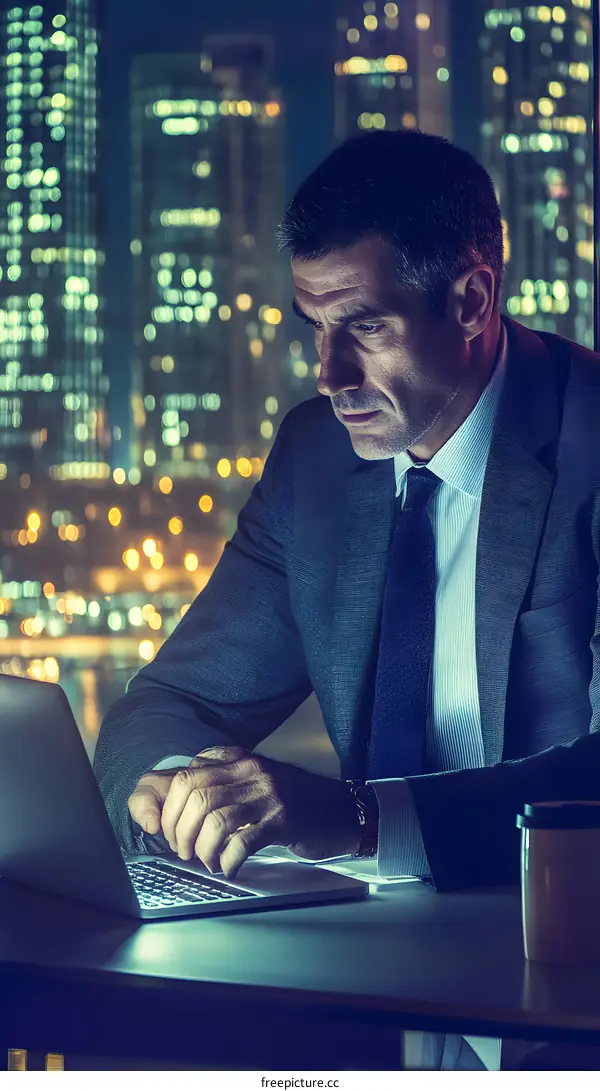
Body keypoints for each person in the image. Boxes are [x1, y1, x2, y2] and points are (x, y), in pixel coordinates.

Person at [94, 130, 600, 1070]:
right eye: (313, 330)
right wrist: (169, 793)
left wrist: (362, 818)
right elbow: (166, 704)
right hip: (374, 988)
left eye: (363, 327)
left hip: (561, 989)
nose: (327, 376)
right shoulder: (316, 460)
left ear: (473, 299)